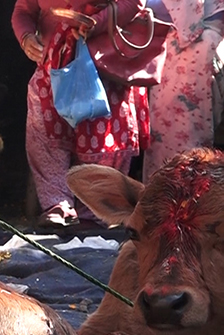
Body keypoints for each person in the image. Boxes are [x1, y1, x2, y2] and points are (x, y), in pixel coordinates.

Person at [13, 0, 148, 228]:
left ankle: (97, 213)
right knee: (46, 135)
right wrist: (26, 37)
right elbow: (24, 10)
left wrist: (98, 22)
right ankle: (57, 206)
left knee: (102, 139)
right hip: (52, 68)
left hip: (105, 67)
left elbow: (135, 2)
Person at [143, 0, 224, 182]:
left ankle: (174, 196)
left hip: (191, 51)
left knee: (183, 142)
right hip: (195, 47)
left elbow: (187, 20)